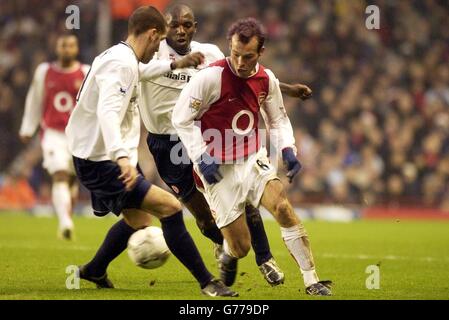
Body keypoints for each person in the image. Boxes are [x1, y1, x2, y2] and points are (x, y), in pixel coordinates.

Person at [65, 6, 237, 297]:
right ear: (153, 34)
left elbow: (143, 71)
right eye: (159, 43)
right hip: (103, 160)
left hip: (100, 155)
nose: (159, 49)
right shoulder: (121, 65)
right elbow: (108, 113)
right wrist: (121, 158)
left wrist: (175, 65)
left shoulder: (121, 56)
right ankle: (209, 282)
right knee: (170, 208)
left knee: (139, 220)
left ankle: (94, 269)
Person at [139, 4, 312, 286]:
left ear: (195, 27)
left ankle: (265, 259)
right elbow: (133, 74)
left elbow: (245, 73)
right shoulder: (151, 54)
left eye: (187, 25)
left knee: (246, 198)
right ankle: (227, 246)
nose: (181, 30)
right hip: (168, 144)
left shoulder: (209, 53)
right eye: (174, 26)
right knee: (205, 218)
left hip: (208, 136)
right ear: (162, 29)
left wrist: (289, 89)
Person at [172, 17, 332, 296]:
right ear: (229, 47)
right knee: (241, 247)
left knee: (282, 207)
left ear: (260, 53)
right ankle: (228, 253)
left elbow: (278, 120)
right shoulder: (210, 77)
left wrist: (288, 151)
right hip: (217, 168)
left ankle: (312, 281)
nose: (240, 61)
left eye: (248, 56)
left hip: (251, 158)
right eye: (235, 54)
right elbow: (181, 118)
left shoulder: (266, 79)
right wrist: (201, 157)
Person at [19, 33, 90, 240]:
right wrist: (27, 127)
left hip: (78, 135)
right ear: (56, 47)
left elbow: (92, 104)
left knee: (71, 181)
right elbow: (35, 99)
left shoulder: (85, 72)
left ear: (76, 49)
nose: (67, 49)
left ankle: (66, 217)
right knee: (59, 174)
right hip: (53, 133)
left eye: (70, 46)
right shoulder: (44, 71)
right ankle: (65, 223)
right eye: (63, 45)